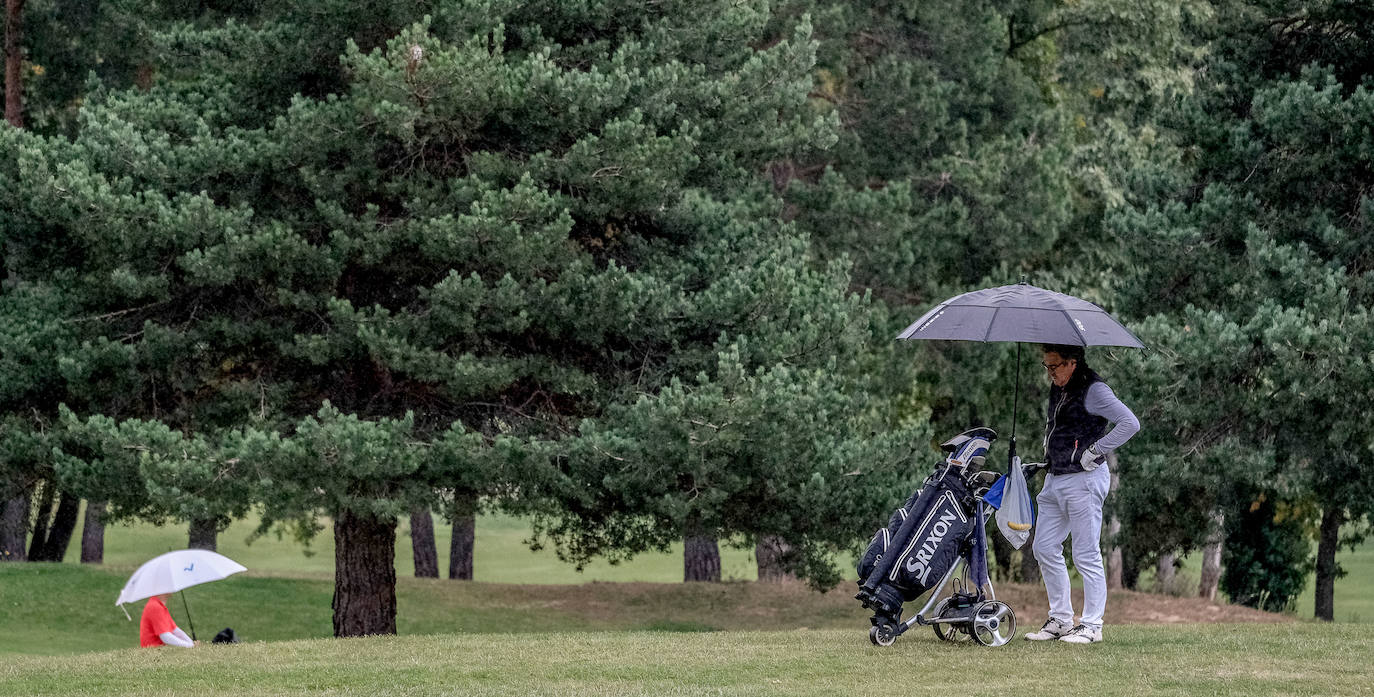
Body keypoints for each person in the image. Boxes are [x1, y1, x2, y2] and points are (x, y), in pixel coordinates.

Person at [1023, 343, 1139, 645]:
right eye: (1045, 366)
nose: (1049, 373)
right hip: (1056, 476)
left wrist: (1096, 450)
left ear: (1072, 362)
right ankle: (1061, 620)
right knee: (1045, 547)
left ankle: (1091, 625)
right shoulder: (1059, 385)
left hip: (1085, 479)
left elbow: (1130, 423)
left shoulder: (1094, 389)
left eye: (1054, 366)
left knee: (1086, 554)